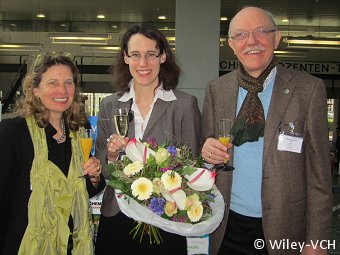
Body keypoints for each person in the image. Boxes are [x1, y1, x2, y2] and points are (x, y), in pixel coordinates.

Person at [201, 6, 332, 255]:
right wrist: (206, 151)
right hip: (226, 226)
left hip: (286, 229)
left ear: (277, 37)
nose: (252, 41)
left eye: (262, 31)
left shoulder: (308, 90)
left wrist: (317, 243)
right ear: (230, 44)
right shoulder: (216, 90)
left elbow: (319, 177)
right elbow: (205, 148)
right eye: (241, 35)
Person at [94, 24, 201, 255]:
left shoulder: (184, 105)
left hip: (165, 217)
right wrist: (111, 156)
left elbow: (193, 166)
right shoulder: (110, 105)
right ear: (125, 57)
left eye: (150, 54)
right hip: (118, 216)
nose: (143, 64)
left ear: (163, 56)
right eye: (135, 55)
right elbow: (101, 165)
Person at [0, 52, 106, 255]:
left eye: (68, 82)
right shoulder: (12, 132)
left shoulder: (77, 135)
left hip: (72, 246)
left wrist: (93, 177)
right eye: (53, 83)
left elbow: (78, 192)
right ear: (35, 90)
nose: (62, 90)